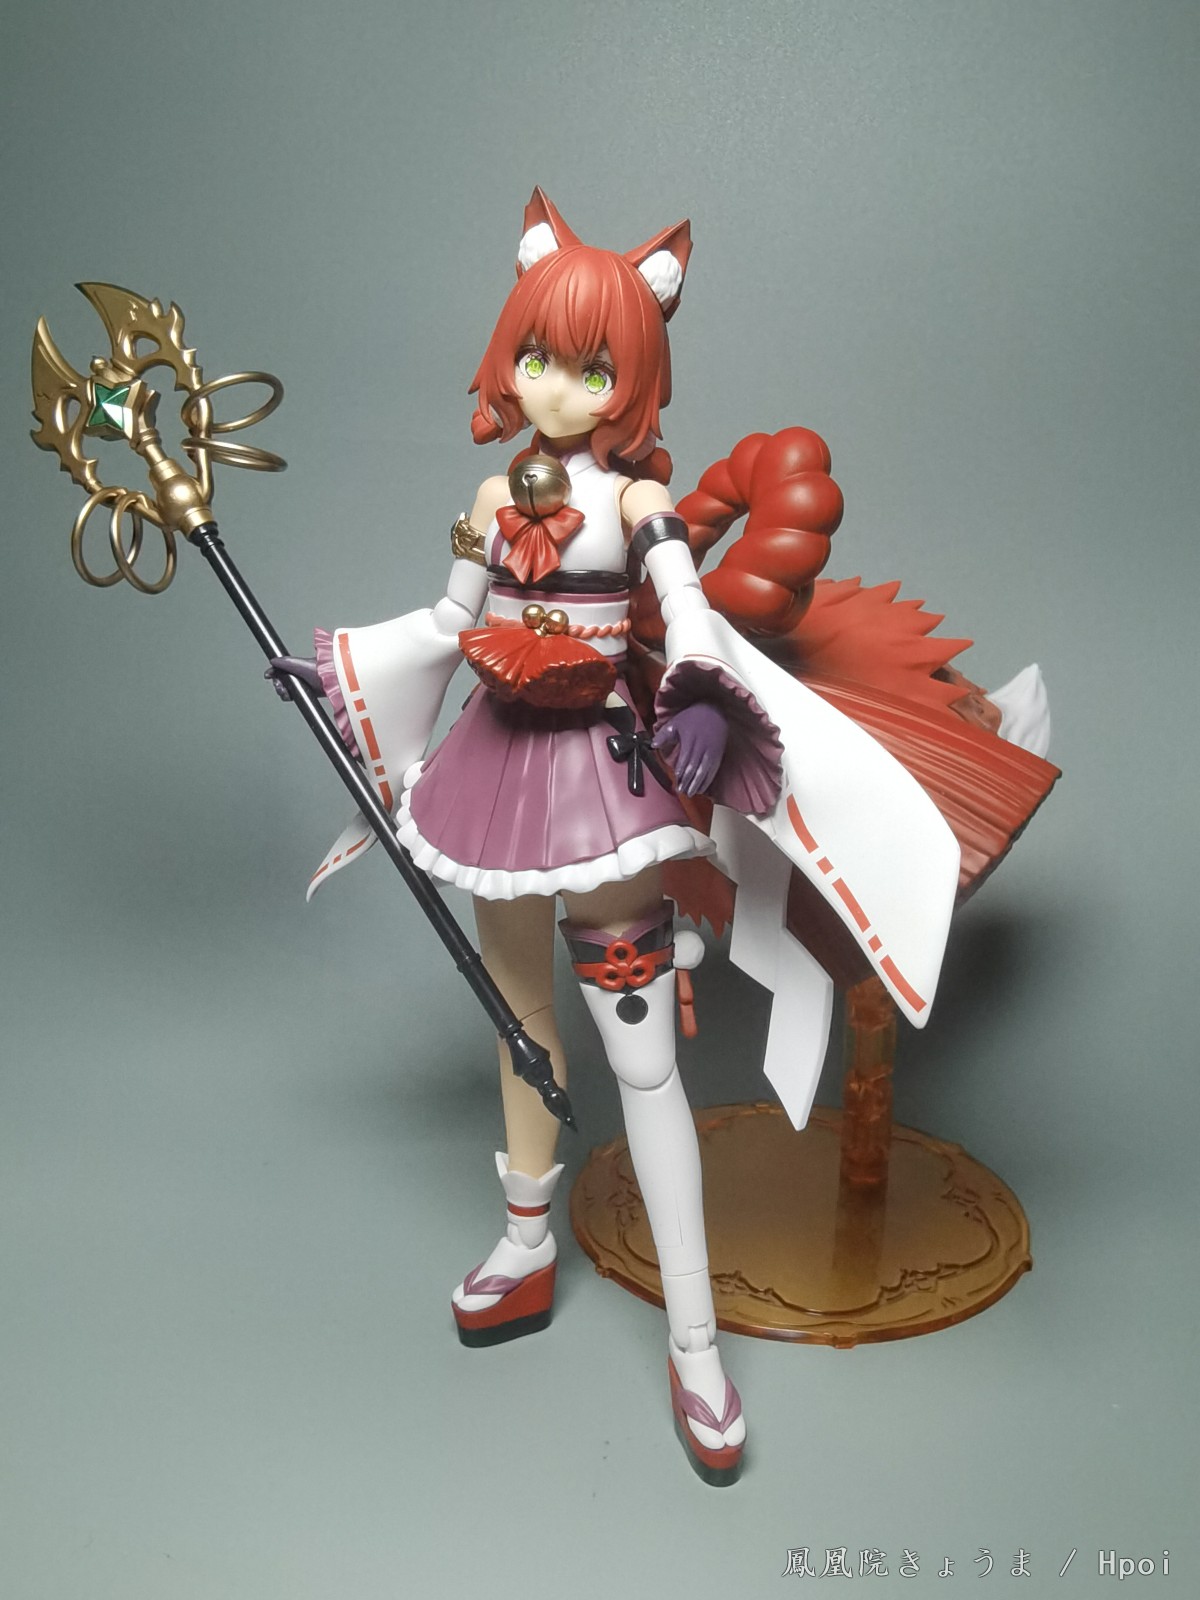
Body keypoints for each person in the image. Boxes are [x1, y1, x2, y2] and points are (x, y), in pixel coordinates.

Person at [272, 189, 980, 1486]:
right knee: (517, 1020)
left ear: (631, 380)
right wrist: (343, 669)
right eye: (540, 357)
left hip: (599, 782)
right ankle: (527, 1241)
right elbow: (451, 622)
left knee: (642, 1061)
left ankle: (696, 1340)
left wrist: (701, 691)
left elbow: (687, 612)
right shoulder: (494, 492)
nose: (557, 387)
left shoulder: (638, 500)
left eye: (591, 368)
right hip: (495, 772)